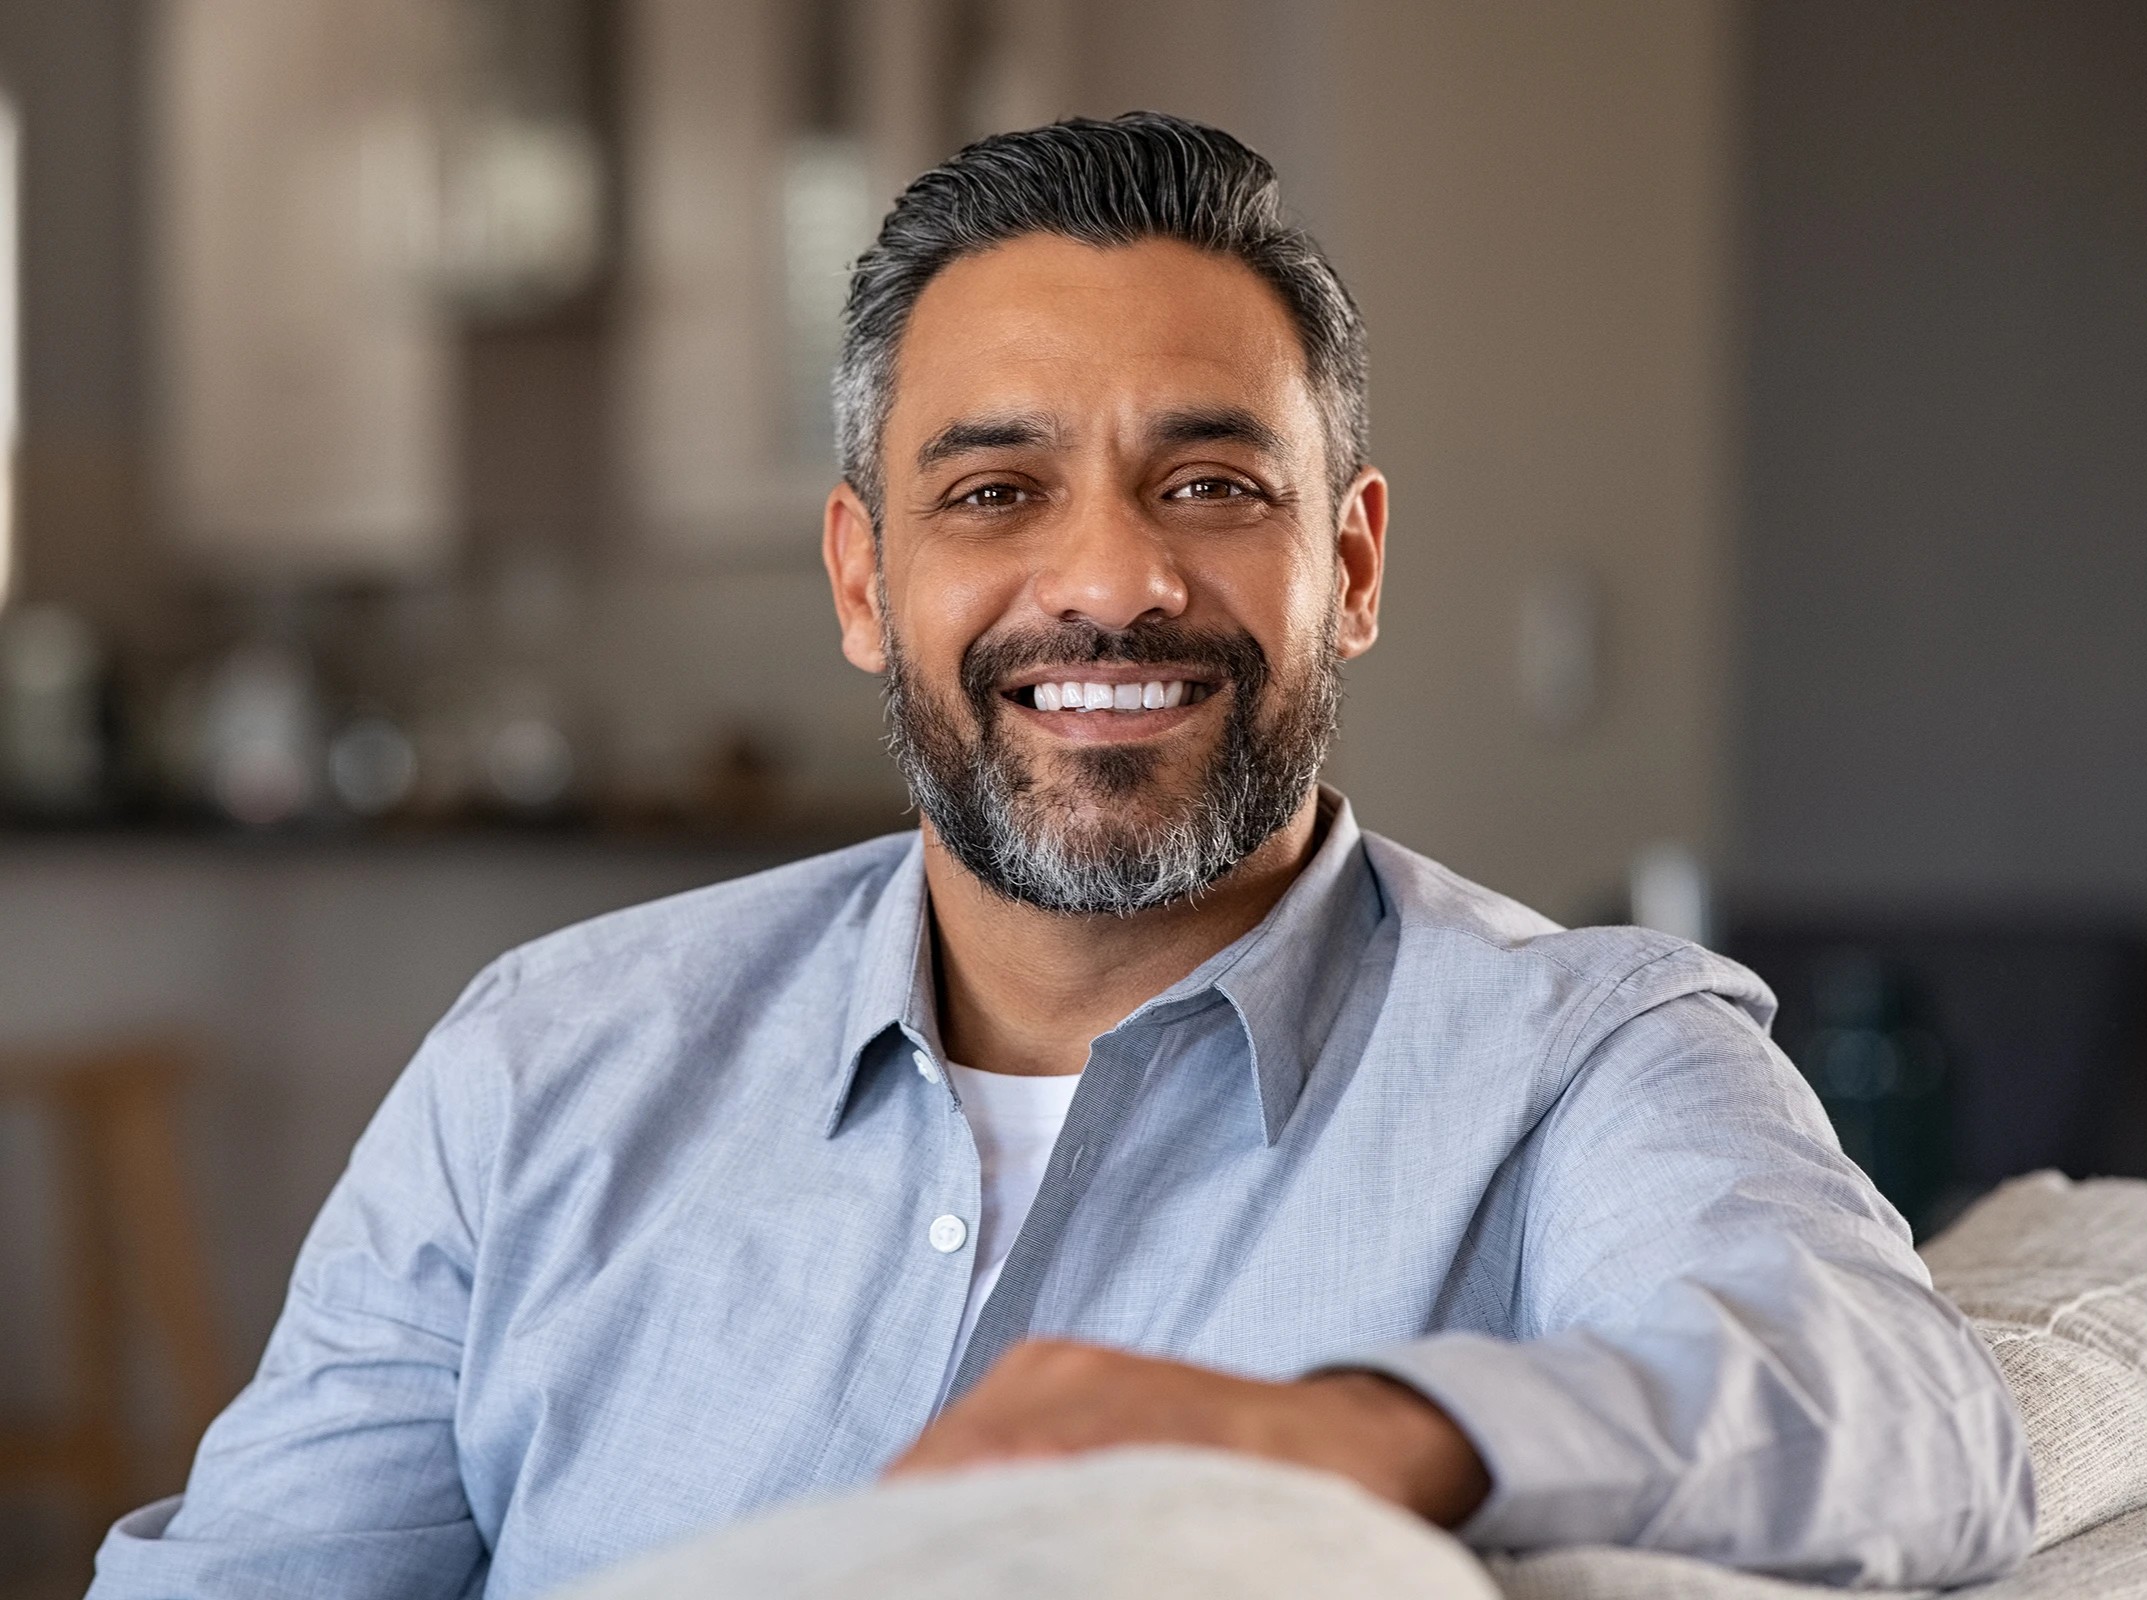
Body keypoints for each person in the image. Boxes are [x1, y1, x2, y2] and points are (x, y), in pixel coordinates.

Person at [88, 113, 2033, 1600]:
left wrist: (1338, 1432)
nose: (1108, 580)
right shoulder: (548, 1056)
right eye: (995, 491)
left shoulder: (1580, 1050)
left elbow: (1908, 1412)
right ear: (866, 575)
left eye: (1205, 482)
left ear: (1347, 562)